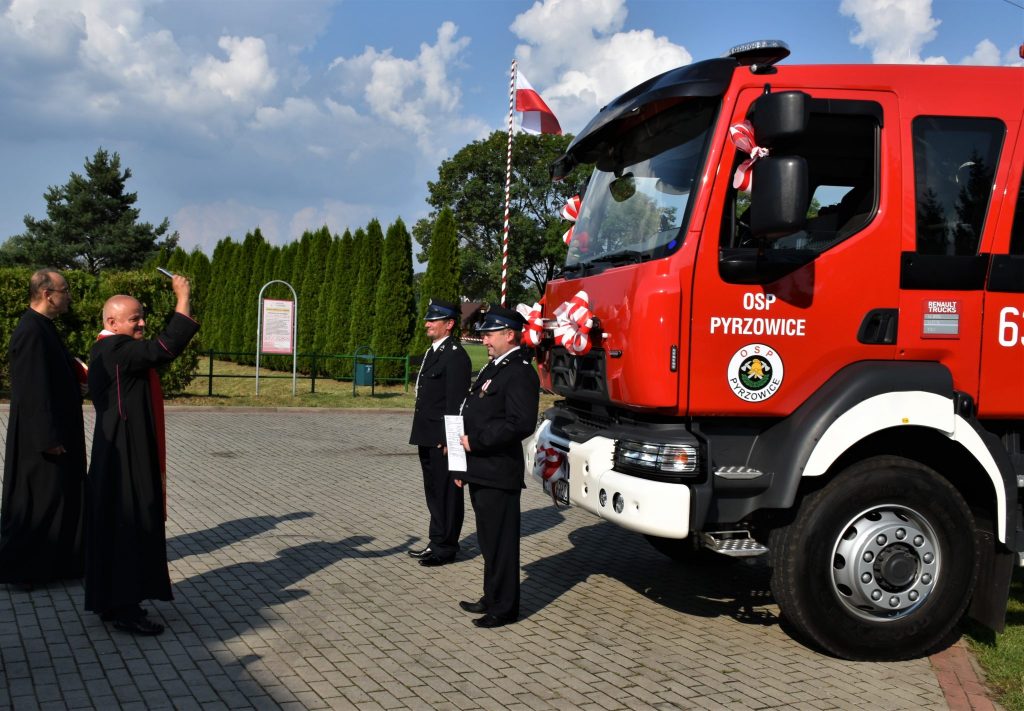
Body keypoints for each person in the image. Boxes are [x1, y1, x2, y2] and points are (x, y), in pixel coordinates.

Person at [84, 275, 199, 636]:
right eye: (134, 318)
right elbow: (165, 348)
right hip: (126, 457)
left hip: (115, 453)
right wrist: (183, 297)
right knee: (129, 528)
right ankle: (127, 610)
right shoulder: (115, 350)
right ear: (112, 323)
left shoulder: (106, 350)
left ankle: (109, 601)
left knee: (113, 529)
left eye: (142, 316)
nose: (142, 323)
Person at [0, 269, 87, 586]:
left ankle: (59, 564)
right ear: (47, 293)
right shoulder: (31, 331)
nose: (69, 296)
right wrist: (47, 438)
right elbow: (32, 389)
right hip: (44, 440)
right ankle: (24, 570)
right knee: (39, 504)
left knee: (60, 499)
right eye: (65, 290)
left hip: (57, 432)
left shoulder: (44, 327)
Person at [456, 304, 540, 628]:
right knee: (488, 540)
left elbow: (520, 424)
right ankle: (491, 596)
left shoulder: (519, 371)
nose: (485, 341)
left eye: (490, 334)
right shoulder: (496, 367)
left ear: (509, 335)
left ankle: (504, 608)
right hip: (481, 468)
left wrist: (477, 441)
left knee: (502, 544)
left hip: (498, 471)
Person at [408, 299, 472, 567]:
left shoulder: (456, 355)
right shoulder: (434, 351)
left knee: (447, 492)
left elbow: (455, 403)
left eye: (434, 320)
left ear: (449, 324)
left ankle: (446, 547)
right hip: (427, 433)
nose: (427, 324)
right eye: (428, 319)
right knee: (433, 491)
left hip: (442, 438)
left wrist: (449, 440)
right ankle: (436, 541)